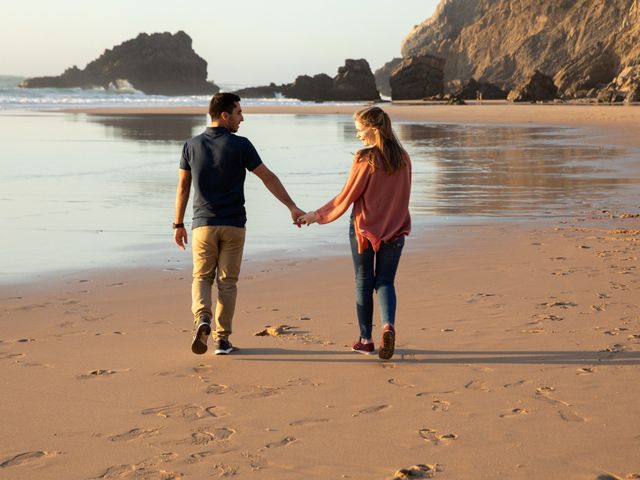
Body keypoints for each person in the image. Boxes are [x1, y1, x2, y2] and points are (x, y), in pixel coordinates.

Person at [174, 92, 304, 355]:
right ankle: (222, 340)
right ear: (224, 115)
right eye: (238, 112)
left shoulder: (191, 145)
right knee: (227, 282)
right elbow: (267, 177)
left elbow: (183, 188)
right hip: (233, 225)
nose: (242, 118)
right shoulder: (241, 145)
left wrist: (178, 224)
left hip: (202, 225)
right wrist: (291, 206)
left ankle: (202, 318)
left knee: (201, 277)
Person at [298, 106, 411, 360]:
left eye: (360, 129)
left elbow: (346, 196)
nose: (357, 134)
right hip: (395, 230)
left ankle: (366, 340)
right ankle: (388, 327)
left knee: (363, 282)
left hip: (364, 231)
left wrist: (316, 216)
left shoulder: (366, 158)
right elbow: (404, 196)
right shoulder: (404, 158)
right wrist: (397, 223)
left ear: (373, 128)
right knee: (385, 282)